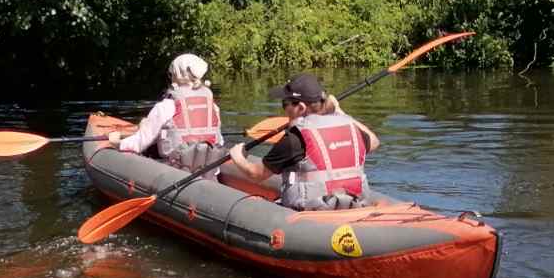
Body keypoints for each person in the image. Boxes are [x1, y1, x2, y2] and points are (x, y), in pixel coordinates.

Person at [225, 73, 380, 210]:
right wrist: (340, 112)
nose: (283, 109)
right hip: (354, 206)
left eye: (285, 104)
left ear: (300, 107)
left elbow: (256, 174)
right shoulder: (350, 128)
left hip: (312, 213)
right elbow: (373, 141)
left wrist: (238, 157)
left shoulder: (294, 139)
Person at [106, 53, 224, 171]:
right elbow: (220, 141)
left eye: (171, 74)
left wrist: (117, 142)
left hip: (175, 171)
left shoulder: (166, 106)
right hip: (210, 169)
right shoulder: (212, 106)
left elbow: (139, 143)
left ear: (175, 76)